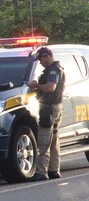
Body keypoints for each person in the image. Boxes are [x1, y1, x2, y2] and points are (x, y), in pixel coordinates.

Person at [26, 47, 65, 181]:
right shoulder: (56, 69)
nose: (40, 61)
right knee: (53, 140)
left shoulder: (53, 70)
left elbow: (50, 87)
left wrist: (36, 86)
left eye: (41, 58)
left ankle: (41, 172)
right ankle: (54, 170)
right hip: (55, 107)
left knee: (44, 139)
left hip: (49, 108)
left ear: (48, 56)